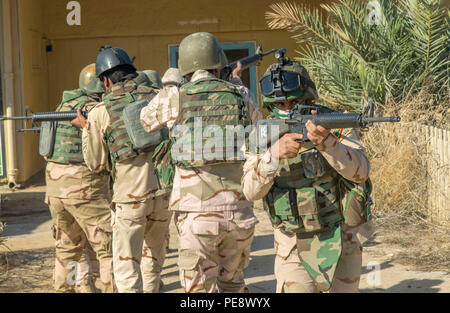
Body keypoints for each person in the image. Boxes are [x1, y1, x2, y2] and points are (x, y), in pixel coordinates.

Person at [140, 32, 262, 293]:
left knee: (198, 292)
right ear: (219, 63)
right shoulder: (240, 94)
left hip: (195, 215)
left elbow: (146, 121)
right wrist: (236, 83)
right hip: (239, 212)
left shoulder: (177, 97)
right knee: (234, 286)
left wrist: (170, 86)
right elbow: (259, 129)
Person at [241, 57, 374, 293]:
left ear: (308, 98)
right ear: (271, 106)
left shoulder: (334, 123)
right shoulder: (263, 135)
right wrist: (273, 155)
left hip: (342, 238)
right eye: (280, 104)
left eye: (295, 102)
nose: (288, 109)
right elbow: (250, 192)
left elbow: (361, 173)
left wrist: (329, 144)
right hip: (291, 244)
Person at [71, 46, 172, 293]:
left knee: (128, 271)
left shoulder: (101, 111)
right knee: (153, 263)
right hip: (165, 194)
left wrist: (88, 128)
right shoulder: (161, 96)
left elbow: (95, 164)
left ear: (105, 80)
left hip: (130, 199)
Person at [45, 63, 114, 293]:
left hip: (55, 185)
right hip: (84, 185)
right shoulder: (97, 108)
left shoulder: (63, 105)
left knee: (68, 246)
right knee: (109, 247)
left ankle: (72, 289)